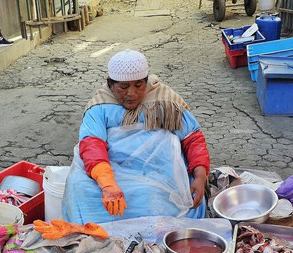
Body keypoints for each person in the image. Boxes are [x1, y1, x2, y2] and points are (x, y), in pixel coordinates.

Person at [62, 49, 211, 223]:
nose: (131, 93)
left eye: (138, 85)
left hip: (158, 171)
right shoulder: (99, 106)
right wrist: (108, 184)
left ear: (146, 82)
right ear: (110, 84)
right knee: (79, 187)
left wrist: (200, 177)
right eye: (123, 87)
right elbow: (92, 146)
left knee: (152, 193)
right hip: (109, 172)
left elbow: (192, 139)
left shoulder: (166, 101)